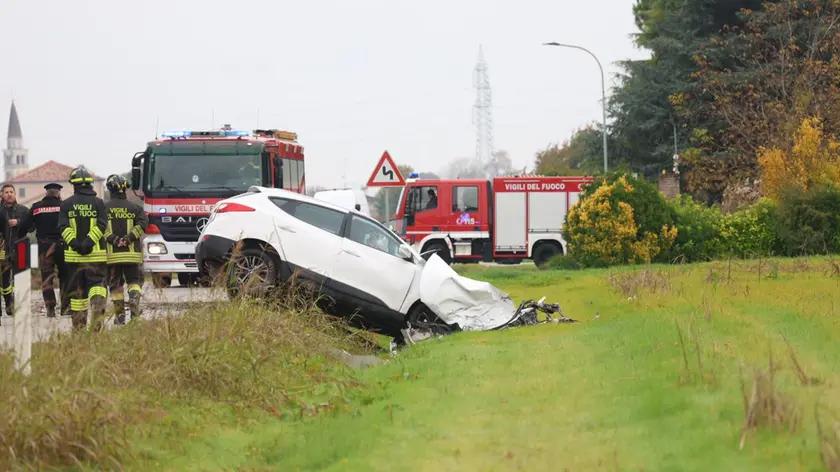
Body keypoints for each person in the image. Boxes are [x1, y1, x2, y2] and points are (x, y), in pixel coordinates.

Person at [58, 166, 108, 332]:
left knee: (78, 294)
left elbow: (63, 227)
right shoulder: (99, 203)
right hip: (96, 257)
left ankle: (79, 330)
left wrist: (76, 244)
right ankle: (96, 322)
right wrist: (89, 242)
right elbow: (102, 225)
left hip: (74, 258)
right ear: (90, 183)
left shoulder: (66, 204)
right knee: (98, 286)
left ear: (74, 184)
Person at [103, 174, 148, 324]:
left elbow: (101, 229)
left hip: (112, 257)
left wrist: (115, 240)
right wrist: (128, 239)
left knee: (115, 285)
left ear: (110, 189)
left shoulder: (104, 209)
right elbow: (142, 226)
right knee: (134, 282)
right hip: (132, 256)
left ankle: (120, 315)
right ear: (125, 189)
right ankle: (134, 301)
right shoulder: (135, 208)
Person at [20, 183, 67, 318]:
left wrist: (20, 237)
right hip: (63, 246)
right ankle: (65, 307)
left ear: (46, 193)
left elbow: (25, 226)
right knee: (65, 276)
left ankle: (50, 308)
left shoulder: (36, 207)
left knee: (47, 277)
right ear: (58, 193)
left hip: (44, 246)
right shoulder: (64, 206)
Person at [1, 183, 29, 318]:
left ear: (15, 194)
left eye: (11, 192)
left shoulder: (23, 210)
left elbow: (32, 227)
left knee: (21, 278)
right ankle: (9, 303)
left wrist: (18, 222)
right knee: (4, 279)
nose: (9, 194)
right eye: (6, 192)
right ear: (2, 194)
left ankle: (21, 306)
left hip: (21, 248)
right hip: (3, 249)